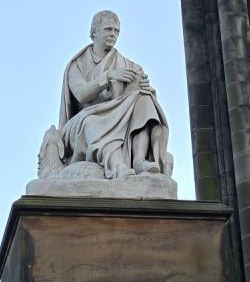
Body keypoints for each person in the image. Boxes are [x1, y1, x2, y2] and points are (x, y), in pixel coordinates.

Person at [44, 10, 173, 180]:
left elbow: (134, 95)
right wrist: (109, 77)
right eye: (108, 29)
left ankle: (139, 160)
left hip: (119, 116)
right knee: (92, 122)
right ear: (94, 32)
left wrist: (143, 88)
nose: (113, 34)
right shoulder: (77, 65)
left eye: (116, 31)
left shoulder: (129, 65)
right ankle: (117, 166)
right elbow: (81, 95)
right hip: (84, 120)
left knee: (145, 100)